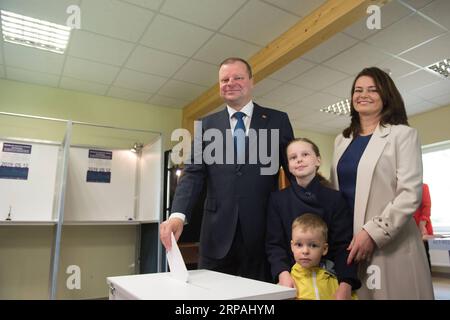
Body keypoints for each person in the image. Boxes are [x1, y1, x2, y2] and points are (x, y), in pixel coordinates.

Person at [160, 57, 294, 281]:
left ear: (251, 81)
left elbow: (293, 172)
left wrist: (309, 213)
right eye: (224, 79)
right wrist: (177, 215)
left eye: (238, 77)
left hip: (263, 236)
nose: (230, 83)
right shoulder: (206, 125)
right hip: (216, 236)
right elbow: (193, 174)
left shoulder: (277, 120)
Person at [331, 67, 434, 299]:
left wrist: (372, 232)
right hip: (349, 243)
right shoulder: (341, 140)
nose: (363, 94)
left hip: (390, 244)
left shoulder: (402, 135)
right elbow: (336, 193)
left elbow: (409, 194)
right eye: (358, 90)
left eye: (372, 89)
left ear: (386, 95)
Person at [266, 138, 360, 299]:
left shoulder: (335, 199)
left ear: (318, 160)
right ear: (288, 166)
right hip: (293, 280)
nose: (299, 159)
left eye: (305, 154)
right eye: (293, 157)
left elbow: (343, 245)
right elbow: (274, 244)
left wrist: (346, 283)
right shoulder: (278, 200)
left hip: (329, 280)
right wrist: (282, 274)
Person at [290, 213, 357, 300]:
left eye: (313, 245)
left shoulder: (334, 279)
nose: (305, 251)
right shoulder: (289, 282)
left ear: (324, 249)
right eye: (299, 244)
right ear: (292, 246)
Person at [414, 183, 433, 270]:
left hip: (421, 229)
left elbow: (426, 207)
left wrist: (422, 227)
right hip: (409, 231)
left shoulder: (423, 187)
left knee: (424, 257)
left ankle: (427, 282)